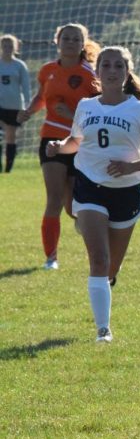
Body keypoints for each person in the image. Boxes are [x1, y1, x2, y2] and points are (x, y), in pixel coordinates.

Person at [46, 46, 140, 343]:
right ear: (97, 71)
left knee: (110, 268)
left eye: (118, 66)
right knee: (99, 260)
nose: (112, 71)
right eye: (106, 65)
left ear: (127, 72)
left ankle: (106, 282)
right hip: (89, 186)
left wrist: (132, 167)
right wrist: (59, 147)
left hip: (126, 193)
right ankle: (103, 330)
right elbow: (77, 141)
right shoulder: (87, 106)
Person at [18, 23, 100, 270]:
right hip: (51, 140)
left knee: (72, 206)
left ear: (82, 44)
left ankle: (85, 224)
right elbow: (42, 96)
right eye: (66, 38)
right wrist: (29, 112)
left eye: (76, 39)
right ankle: (51, 258)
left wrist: (72, 113)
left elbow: (97, 112)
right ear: (57, 41)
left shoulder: (89, 74)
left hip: (79, 142)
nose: (71, 42)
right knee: (53, 199)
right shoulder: (47, 71)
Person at [0, 34, 31, 173]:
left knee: (10, 136)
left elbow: (25, 87)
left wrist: (27, 106)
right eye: (5, 46)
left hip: (14, 106)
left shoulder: (19, 65)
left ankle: (8, 168)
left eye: (10, 46)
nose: (7, 48)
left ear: (15, 48)